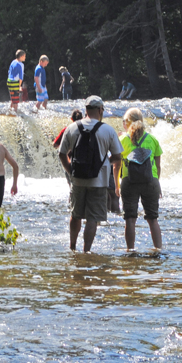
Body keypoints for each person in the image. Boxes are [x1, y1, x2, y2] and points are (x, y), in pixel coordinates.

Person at [59, 96, 123, 252]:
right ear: (100, 110)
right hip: (99, 181)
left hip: (77, 180)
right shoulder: (108, 130)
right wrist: (106, 160)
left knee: (75, 215)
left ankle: (72, 247)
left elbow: (61, 153)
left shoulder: (72, 128)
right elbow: (117, 157)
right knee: (92, 218)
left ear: (85, 109)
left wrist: (70, 170)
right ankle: (86, 250)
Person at [114, 108, 163, 250]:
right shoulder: (152, 139)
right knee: (153, 219)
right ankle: (158, 250)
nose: (123, 123)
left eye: (124, 121)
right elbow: (158, 166)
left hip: (129, 181)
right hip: (150, 181)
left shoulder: (122, 139)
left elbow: (116, 165)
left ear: (128, 123)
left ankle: (130, 250)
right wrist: (156, 184)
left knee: (130, 219)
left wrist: (117, 185)